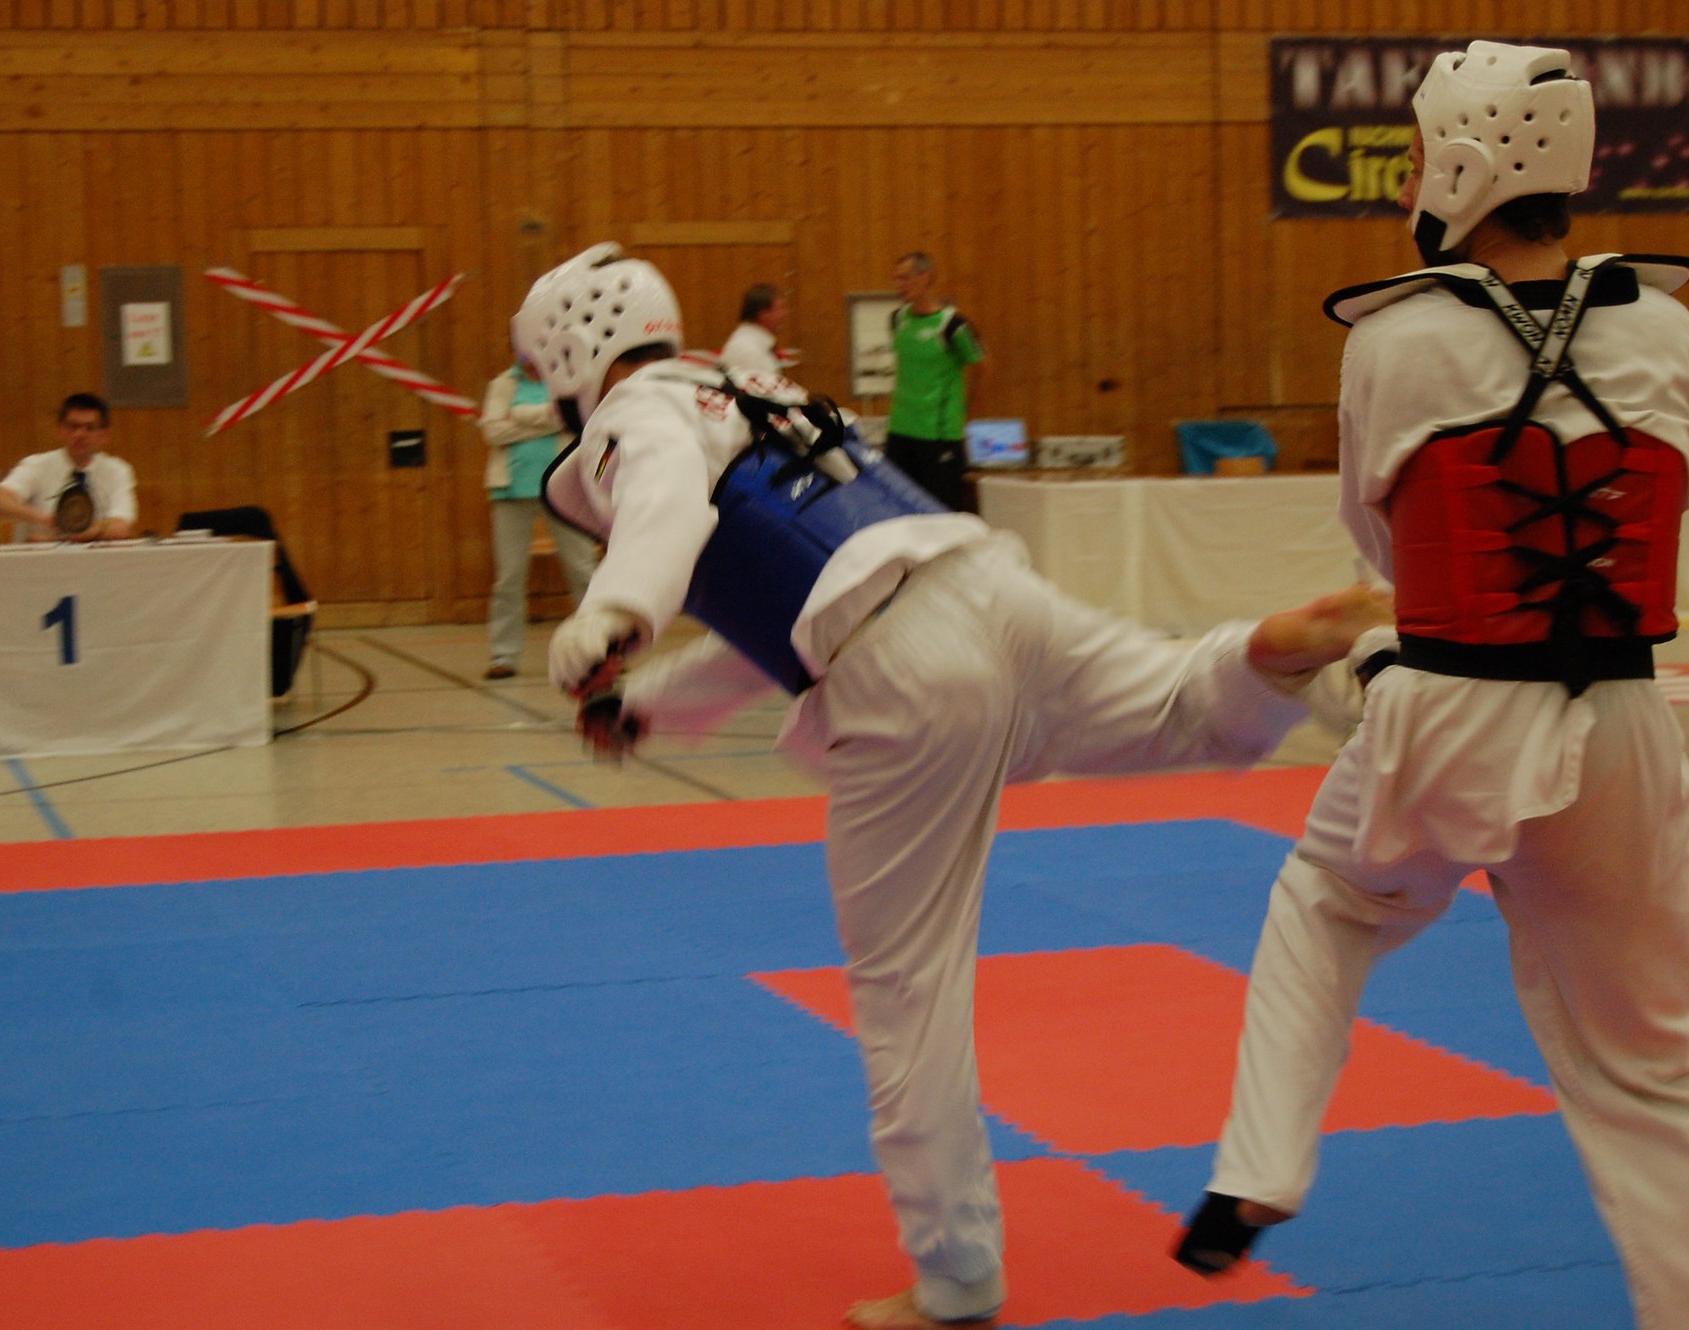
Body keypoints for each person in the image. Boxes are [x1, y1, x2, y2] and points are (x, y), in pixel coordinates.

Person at [516, 243, 1392, 1330]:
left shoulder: (634, 415)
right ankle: (1283, 649)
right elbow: (786, 598)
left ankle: (956, 1273)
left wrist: (617, 611)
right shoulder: (746, 388)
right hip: (980, 588)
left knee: (905, 994)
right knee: (1175, 704)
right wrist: (648, 700)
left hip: (900, 677)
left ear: (572, 357)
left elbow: (660, 505)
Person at [1175, 42, 1689, 1330]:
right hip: (1621, 721)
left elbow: (1376, 540)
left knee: (1328, 905)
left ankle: (1257, 1171)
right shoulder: (1661, 321)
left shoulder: (1396, 339)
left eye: (1423, 155)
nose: (1409, 182)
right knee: (1653, 1070)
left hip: (1449, 707)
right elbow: (1675, 493)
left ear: (1463, 167)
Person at [477, 353, 597, 680]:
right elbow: (493, 432)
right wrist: (546, 417)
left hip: (563, 489)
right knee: (509, 578)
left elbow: (571, 421)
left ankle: (600, 649)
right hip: (510, 491)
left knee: (582, 570)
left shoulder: (566, 383)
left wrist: (518, 416)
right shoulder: (503, 384)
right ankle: (503, 656)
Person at [885, 252, 989, 512]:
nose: (899, 285)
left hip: (939, 437)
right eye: (896, 279)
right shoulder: (898, 319)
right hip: (899, 433)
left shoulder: (953, 325)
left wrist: (966, 416)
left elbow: (985, 368)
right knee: (897, 511)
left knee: (940, 513)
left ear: (927, 277)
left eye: (905, 278)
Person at [0, 392, 137, 543]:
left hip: (93, 554)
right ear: (60, 429)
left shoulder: (117, 470)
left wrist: (63, 537)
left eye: (90, 428)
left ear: (104, 434)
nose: (80, 434)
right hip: (45, 555)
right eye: (73, 426)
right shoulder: (36, 465)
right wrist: (46, 519)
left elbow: (120, 525)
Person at [719, 283, 788, 378]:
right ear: (763, 314)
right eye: (779, 309)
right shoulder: (748, 349)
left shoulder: (753, 342)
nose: (784, 314)